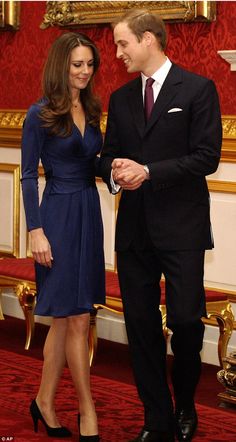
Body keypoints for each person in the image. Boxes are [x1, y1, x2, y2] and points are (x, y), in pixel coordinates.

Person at [100, 9, 222, 442]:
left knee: (187, 321)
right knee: (140, 325)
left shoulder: (199, 89)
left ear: (149, 39)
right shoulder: (120, 98)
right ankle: (157, 418)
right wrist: (115, 171)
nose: (117, 54)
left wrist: (148, 170)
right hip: (134, 231)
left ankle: (186, 404)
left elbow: (206, 157)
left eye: (122, 44)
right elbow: (108, 153)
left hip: (182, 229)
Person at [21, 32, 105, 441]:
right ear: (61, 65)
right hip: (56, 216)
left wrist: (119, 173)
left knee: (65, 318)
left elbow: (97, 162)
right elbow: (25, 176)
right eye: (77, 65)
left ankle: (44, 401)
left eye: (90, 64)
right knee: (74, 319)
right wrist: (35, 230)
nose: (85, 71)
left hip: (89, 213)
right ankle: (88, 412)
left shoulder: (91, 106)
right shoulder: (38, 113)